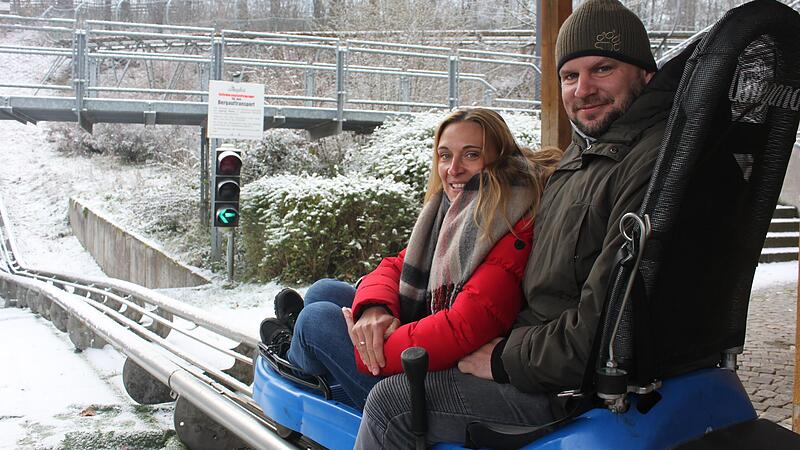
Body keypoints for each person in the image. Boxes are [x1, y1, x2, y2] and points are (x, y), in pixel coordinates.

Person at [354, 0, 688, 447]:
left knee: (390, 401)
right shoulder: (586, 157)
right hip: (528, 356)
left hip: (555, 386)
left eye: (602, 69)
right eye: (570, 76)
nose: (583, 89)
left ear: (645, 74)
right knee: (329, 308)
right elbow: (406, 263)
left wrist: (504, 360)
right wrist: (373, 306)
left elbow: (602, 323)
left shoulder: (645, 163)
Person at [261, 107, 562, 410]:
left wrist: (376, 344)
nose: (453, 168)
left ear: (500, 160)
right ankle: (307, 346)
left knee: (316, 321)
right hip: (428, 343)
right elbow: (396, 265)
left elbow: (462, 330)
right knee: (324, 291)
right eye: (445, 156)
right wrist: (373, 311)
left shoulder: (510, 224)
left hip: (435, 378)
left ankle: (295, 352)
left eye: (471, 155)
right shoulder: (458, 211)